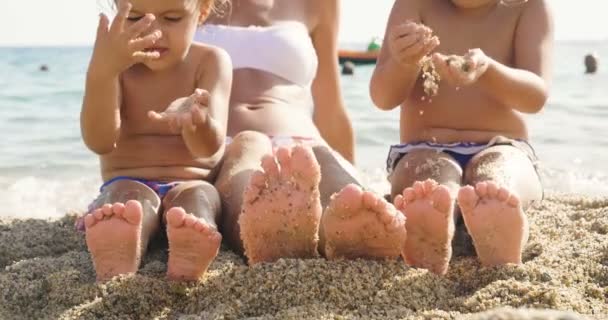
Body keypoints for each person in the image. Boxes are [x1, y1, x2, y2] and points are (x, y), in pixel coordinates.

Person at [195, 0, 407, 264]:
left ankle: (351, 230)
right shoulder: (183, 5)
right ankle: (269, 231)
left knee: (324, 163)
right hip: (220, 142)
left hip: (302, 138)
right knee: (247, 154)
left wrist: (353, 169)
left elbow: (330, 104)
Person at [370, 0, 553, 275]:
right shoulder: (414, 5)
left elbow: (535, 96)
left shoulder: (527, 6)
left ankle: (501, 236)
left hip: (503, 145)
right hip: (424, 147)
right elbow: (383, 98)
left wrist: (488, 71)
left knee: (498, 178)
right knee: (429, 185)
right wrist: (402, 61)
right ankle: (432, 230)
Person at [79, 0, 232, 281]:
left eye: (172, 18)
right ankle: (121, 247)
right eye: (137, 17)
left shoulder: (210, 61)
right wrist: (103, 73)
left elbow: (208, 151)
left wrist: (196, 122)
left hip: (191, 181)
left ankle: (190, 247)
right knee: (126, 201)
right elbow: (100, 142)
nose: (155, 32)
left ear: (202, 12)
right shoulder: (117, 67)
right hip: (127, 180)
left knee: (200, 200)